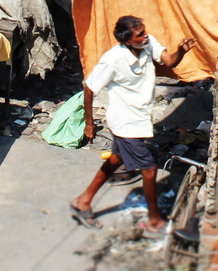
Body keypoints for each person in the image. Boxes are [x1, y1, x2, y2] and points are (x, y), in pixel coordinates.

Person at [70, 16, 198, 233]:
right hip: (124, 122)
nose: (145, 35)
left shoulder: (147, 44)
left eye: (144, 31)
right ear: (128, 41)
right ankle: (155, 219)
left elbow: (169, 61)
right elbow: (90, 88)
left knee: (115, 159)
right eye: (139, 34)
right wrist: (89, 123)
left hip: (140, 119)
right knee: (149, 169)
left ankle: (83, 200)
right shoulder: (113, 59)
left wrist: (181, 51)